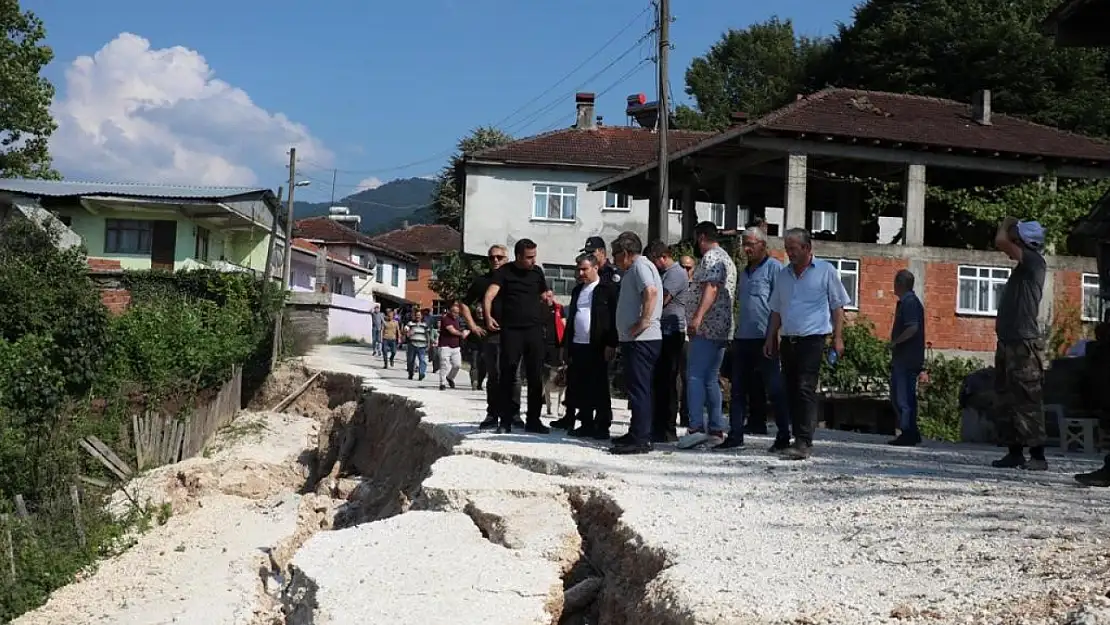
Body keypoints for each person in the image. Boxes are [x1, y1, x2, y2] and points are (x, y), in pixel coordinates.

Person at [764, 228, 850, 460]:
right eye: (787, 249)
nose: (789, 253)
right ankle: (794, 436)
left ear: (807, 248)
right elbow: (776, 310)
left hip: (813, 339)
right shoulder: (783, 276)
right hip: (789, 341)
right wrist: (771, 336)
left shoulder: (825, 271)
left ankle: (804, 441)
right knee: (789, 389)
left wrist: (838, 338)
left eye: (793, 249)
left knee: (805, 387)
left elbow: (837, 306)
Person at [990, 218, 1048, 471]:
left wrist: (1006, 223)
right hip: (1009, 342)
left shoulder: (1034, 261)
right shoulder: (1023, 267)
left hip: (1023, 344)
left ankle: (1038, 456)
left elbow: (1000, 241)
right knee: (1007, 399)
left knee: (1027, 399)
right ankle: (1015, 452)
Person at [726, 226, 790, 451]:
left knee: (774, 388)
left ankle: (783, 435)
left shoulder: (774, 269)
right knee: (738, 390)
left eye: (750, 244)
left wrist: (774, 336)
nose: (746, 248)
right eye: (744, 244)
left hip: (765, 338)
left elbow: (781, 305)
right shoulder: (744, 272)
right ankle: (735, 434)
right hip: (743, 337)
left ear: (763, 245)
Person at [679, 222, 737, 450]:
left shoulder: (712, 258)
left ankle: (695, 427)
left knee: (694, 375)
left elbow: (711, 288)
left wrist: (697, 318)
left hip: (708, 326)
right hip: (722, 328)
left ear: (702, 236)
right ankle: (715, 426)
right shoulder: (727, 258)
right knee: (711, 378)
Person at [483, 239, 551, 434]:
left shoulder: (537, 272)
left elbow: (544, 293)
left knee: (535, 376)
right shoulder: (504, 272)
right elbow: (489, 295)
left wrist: (547, 298)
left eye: (534, 256)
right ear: (519, 256)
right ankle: (505, 421)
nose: (533, 260)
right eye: (529, 257)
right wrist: (488, 317)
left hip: (534, 330)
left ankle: (534, 420)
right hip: (512, 331)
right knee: (508, 374)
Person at [608, 232, 663, 455]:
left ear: (627, 253)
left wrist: (644, 321)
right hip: (635, 339)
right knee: (636, 388)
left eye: (616, 254)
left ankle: (641, 438)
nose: (613, 260)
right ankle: (636, 430)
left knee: (640, 388)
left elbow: (650, 292)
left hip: (643, 339)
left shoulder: (641, 266)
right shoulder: (634, 268)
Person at [461, 245, 524, 430]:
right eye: (491, 258)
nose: (495, 260)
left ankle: (514, 414)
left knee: (515, 376)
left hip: (514, 334)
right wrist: (473, 326)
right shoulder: (483, 281)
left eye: (499, 257)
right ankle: (492, 413)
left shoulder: (516, 278)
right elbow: (464, 303)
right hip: (492, 336)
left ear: (507, 258)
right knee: (494, 375)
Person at [561, 253, 619, 439]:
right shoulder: (578, 290)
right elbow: (572, 318)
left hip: (599, 345)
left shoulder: (607, 290)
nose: (581, 273)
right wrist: (566, 345)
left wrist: (611, 343)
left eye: (585, 269)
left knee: (600, 386)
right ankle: (585, 423)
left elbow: (614, 318)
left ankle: (602, 425)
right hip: (578, 344)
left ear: (595, 268)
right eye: (579, 269)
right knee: (580, 385)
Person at [646, 240, 689, 443]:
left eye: (655, 261)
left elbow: (661, 300)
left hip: (672, 331)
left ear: (663, 257)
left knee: (668, 380)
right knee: (659, 380)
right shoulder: (664, 273)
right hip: (662, 330)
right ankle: (657, 424)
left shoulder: (676, 273)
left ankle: (667, 428)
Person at [888, 269, 926, 447]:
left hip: (907, 358)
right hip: (905, 357)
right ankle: (911, 431)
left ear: (900, 284)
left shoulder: (909, 302)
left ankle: (908, 431)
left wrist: (896, 342)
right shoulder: (907, 302)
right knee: (901, 395)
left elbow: (913, 328)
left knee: (903, 396)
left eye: (895, 283)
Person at [437, 301, 468, 391]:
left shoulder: (458, 319)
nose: (456, 314)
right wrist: (462, 334)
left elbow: (465, 327)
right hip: (445, 345)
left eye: (458, 313)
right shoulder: (445, 318)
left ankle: (450, 377)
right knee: (444, 365)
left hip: (456, 346)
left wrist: (467, 331)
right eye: (454, 312)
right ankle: (442, 383)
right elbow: (452, 330)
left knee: (457, 365)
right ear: (450, 311)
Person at [404, 309, 430, 381]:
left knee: (422, 360)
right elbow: (405, 331)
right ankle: (411, 373)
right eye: (416, 315)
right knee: (410, 360)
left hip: (422, 345)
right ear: (414, 316)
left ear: (421, 316)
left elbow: (427, 334)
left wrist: (428, 344)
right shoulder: (410, 323)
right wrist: (408, 333)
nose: (418, 316)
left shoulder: (425, 324)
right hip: (412, 345)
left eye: (419, 315)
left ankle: (421, 373)